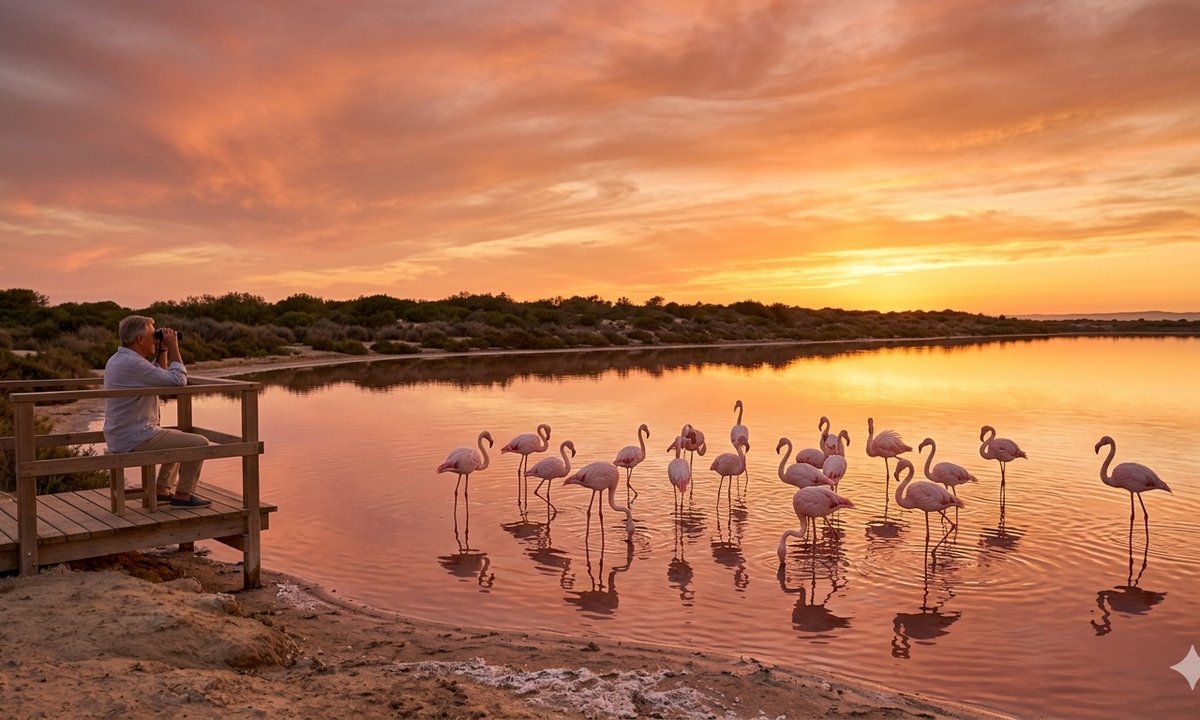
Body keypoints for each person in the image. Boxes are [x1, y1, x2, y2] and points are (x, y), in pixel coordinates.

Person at [103, 315, 212, 507]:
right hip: (135, 438)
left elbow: (159, 377)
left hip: (124, 434)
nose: (156, 338)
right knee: (198, 443)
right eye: (153, 335)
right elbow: (177, 381)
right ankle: (184, 496)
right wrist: (174, 349)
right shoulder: (132, 363)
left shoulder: (120, 359)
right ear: (140, 339)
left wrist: (162, 350)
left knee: (177, 437)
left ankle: (162, 489)